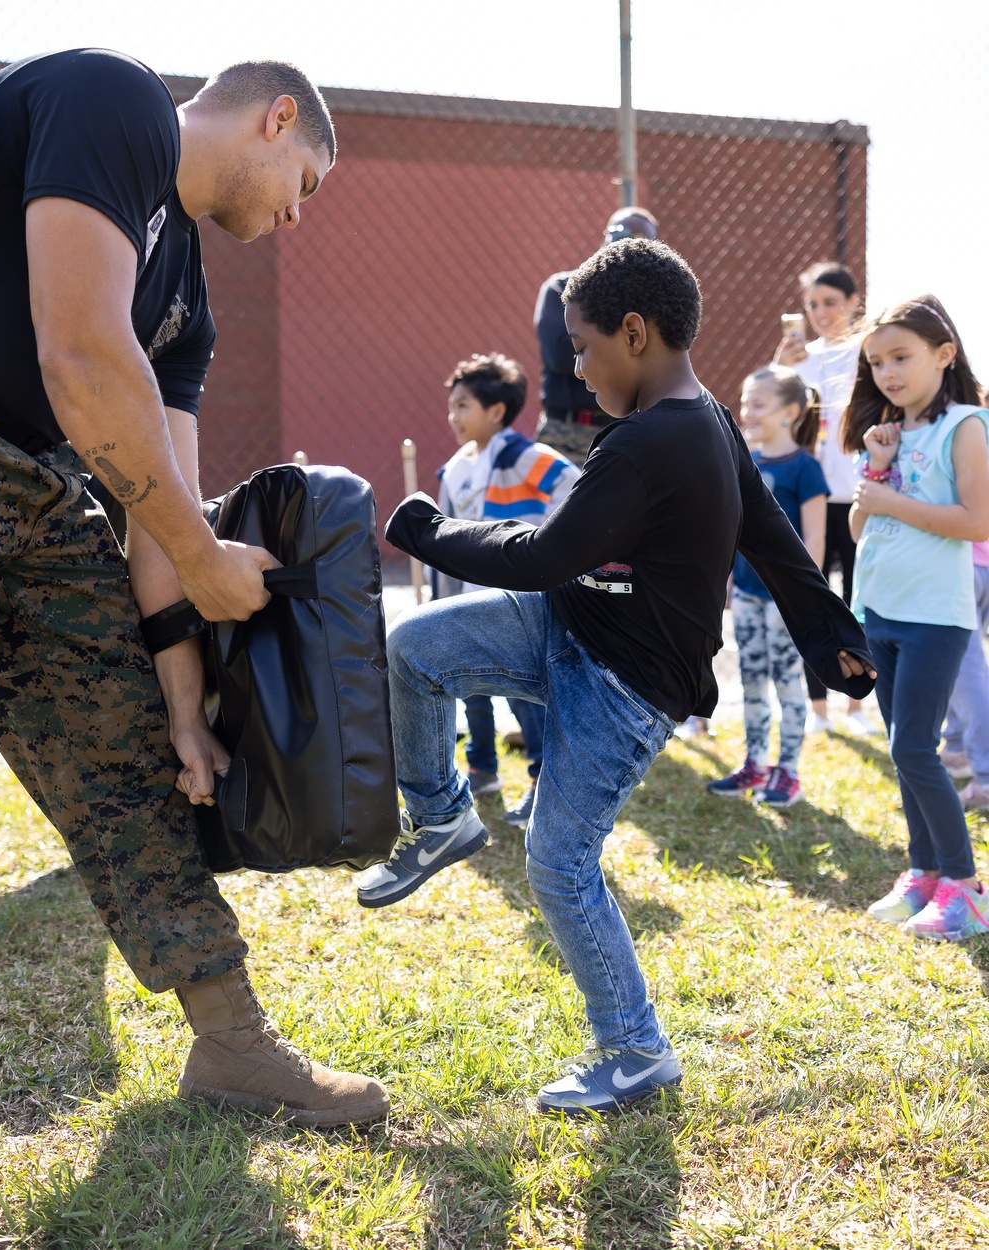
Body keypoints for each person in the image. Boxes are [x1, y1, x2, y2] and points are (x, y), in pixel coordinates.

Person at [356, 239, 875, 1115]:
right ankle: (442, 818)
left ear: (634, 334)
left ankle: (635, 1049)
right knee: (416, 651)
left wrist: (426, 530)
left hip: (625, 684)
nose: (576, 372)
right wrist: (827, 630)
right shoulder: (692, 414)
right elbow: (770, 534)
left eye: (583, 350)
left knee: (559, 865)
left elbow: (546, 551)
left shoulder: (663, 437)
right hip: (568, 620)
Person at [0, 49, 389, 1126]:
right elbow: (76, 355)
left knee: (128, 760)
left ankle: (232, 1045)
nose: (298, 218)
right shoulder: (113, 101)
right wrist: (205, 555)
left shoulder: (185, 303)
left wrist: (180, 712)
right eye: (306, 184)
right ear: (274, 118)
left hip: (33, 492)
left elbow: (166, 503)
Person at [845, 296, 989, 941]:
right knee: (905, 754)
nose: (888, 372)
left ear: (944, 354)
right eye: (877, 362)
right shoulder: (886, 433)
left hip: (936, 614)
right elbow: (858, 525)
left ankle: (966, 887)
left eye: (901, 357)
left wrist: (891, 498)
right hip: (880, 611)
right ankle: (923, 873)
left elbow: (977, 521)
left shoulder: (966, 424)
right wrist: (877, 468)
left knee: (914, 746)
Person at [433, 352, 579, 824]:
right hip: (469, 595)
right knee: (468, 682)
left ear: (496, 411)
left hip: (515, 598)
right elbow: (443, 533)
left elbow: (573, 488)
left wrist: (544, 549)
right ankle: (482, 767)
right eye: (452, 406)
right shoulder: (455, 469)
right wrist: (441, 597)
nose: (453, 417)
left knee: (520, 691)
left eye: (463, 406)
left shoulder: (527, 458)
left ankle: (542, 778)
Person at [707, 366, 828, 807]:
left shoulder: (806, 468)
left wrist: (803, 594)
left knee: (787, 681)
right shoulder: (743, 462)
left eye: (759, 404)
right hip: (745, 594)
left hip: (785, 601)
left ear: (789, 413)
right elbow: (729, 529)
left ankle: (788, 771)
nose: (747, 412)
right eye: (745, 403)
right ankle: (754, 762)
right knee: (752, 679)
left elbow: (815, 538)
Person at [775, 262, 877, 736]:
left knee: (858, 596)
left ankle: (859, 708)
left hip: (858, 493)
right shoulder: (800, 358)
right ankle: (818, 708)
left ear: (854, 302)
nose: (820, 312)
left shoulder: (869, 352)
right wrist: (781, 368)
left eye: (830, 302)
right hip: (811, 496)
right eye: (812, 304)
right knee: (813, 599)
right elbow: (776, 422)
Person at [533, 206, 658, 467]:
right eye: (617, 233)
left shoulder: (651, 301)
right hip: (564, 432)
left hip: (622, 429)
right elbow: (560, 354)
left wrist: (596, 346)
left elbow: (656, 359)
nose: (623, 244)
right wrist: (623, 349)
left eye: (636, 239)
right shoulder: (563, 289)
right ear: (604, 239)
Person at [940, 542, 989, 810]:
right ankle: (958, 749)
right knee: (957, 665)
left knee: (967, 672)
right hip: (978, 564)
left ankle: (986, 780)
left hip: (960, 567)